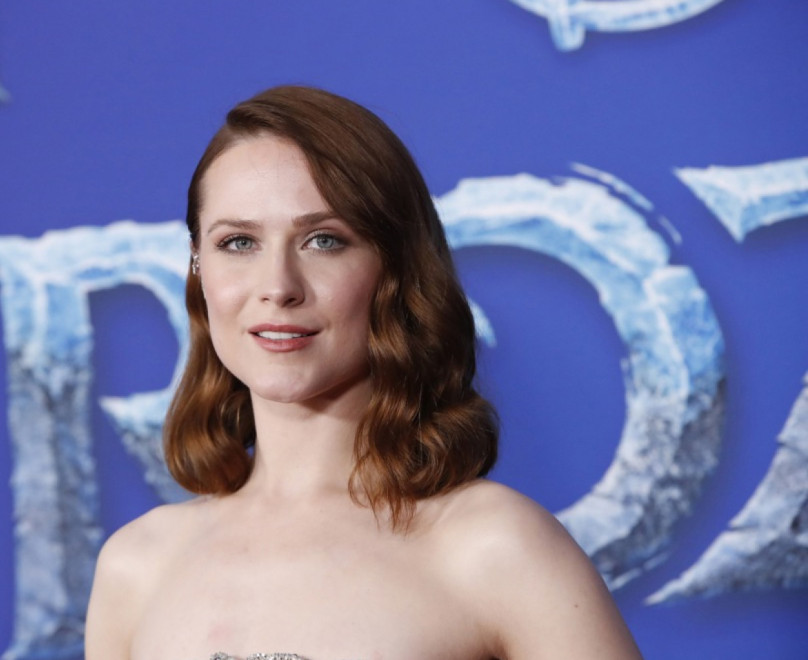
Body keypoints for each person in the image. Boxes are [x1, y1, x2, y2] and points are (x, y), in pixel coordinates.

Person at [85, 85, 643, 660]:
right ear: (197, 266)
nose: (278, 286)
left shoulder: (496, 547)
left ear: (396, 268)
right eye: (239, 242)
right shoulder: (138, 567)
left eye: (324, 241)